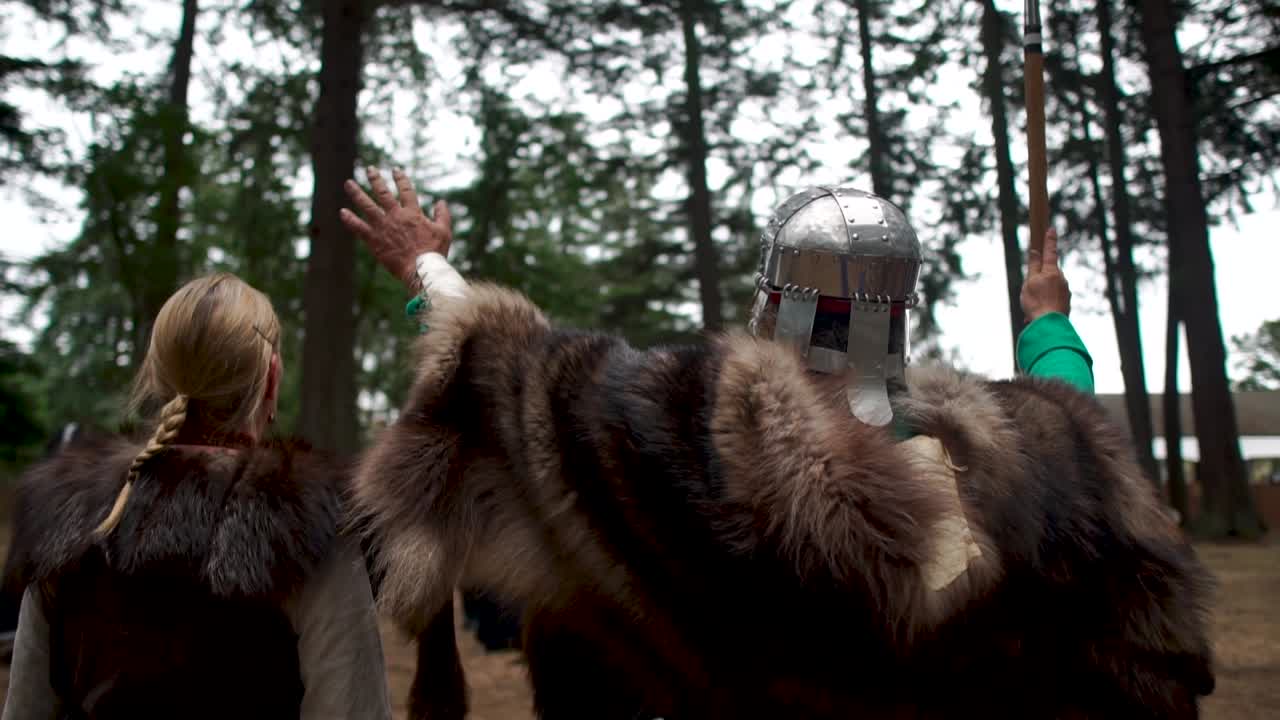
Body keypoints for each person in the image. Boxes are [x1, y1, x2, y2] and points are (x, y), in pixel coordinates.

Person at [342, 168, 1213, 719]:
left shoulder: (702, 453)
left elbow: (512, 373)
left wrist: (427, 265)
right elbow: (1062, 403)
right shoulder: (1020, 459)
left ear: (774, 304)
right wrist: (1049, 319)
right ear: (897, 316)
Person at [2, 273, 392, 720]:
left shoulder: (68, 515)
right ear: (271, 378)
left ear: (156, 374)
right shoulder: (307, 529)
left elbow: (26, 707)